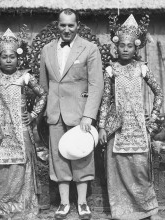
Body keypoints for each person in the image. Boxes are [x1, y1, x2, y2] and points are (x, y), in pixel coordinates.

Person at [39, 8, 104, 219]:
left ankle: (83, 203)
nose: (66, 29)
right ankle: (64, 203)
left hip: (79, 114)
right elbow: (43, 85)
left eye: (71, 25)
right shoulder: (46, 50)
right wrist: (42, 113)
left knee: (81, 156)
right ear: (57, 25)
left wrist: (89, 115)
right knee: (59, 158)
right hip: (55, 113)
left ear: (78, 25)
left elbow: (97, 85)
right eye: (62, 25)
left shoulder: (90, 48)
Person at [98, 14, 163, 220]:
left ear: (137, 48)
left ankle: (150, 210)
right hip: (116, 129)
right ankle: (122, 212)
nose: (125, 49)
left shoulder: (142, 68)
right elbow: (105, 99)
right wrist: (101, 126)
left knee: (140, 171)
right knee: (117, 171)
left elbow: (158, 93)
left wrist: (152, 119)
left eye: (130, 46)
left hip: (138, 127)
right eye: (122, 45)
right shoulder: (110, 69)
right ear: (116, 46)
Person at [0, 28, 47, 219]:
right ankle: (2, 203)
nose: (8, 60)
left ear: (19, 58)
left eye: (12, 57)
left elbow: (42, 94)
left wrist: (32, 115)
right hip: (0, 130)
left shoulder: (25, 76)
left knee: (22, 165)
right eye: (4, 57)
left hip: (21, 129)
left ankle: (23, 204)